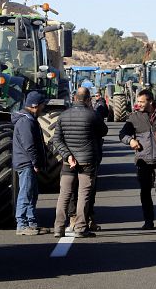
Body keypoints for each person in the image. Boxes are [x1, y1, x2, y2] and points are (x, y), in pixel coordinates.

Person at [53, 87, 108, 238]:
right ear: (89, 99)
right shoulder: (93, 115)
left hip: (67, 162)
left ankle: (58, 228)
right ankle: (81, 227)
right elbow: (104, 131)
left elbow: (56, 139)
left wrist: (68, 155)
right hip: (87, 161)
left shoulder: (63, 116)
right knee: (84, 194)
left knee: (64, 194)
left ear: (74, 98)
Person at [119, 89, 156, 230]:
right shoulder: (134, 118)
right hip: (143, 161)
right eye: (137, 101)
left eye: (141, 101)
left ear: (150, 101)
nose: (138, 104)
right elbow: (122, 134)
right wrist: (130, 141)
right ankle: (148, 221)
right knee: (145, 191)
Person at [11, 91, 47, 236]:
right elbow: (29, 145)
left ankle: (31, 223)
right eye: (42, 105)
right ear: (35, 106)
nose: (44, 107)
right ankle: (21, 224)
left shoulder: (29, 119)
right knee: (25, 193)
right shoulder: (25, 121)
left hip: (28, 162)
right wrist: (35, 162)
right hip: (26, 162)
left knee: (32, 193)